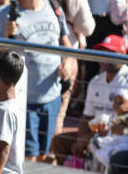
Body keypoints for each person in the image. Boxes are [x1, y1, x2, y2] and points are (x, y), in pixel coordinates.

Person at [0, 0, 75, 162]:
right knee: (27, 155)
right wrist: (6, 37)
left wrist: (68, 61)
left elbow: (66, 43)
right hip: (23, 99)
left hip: (51, 95)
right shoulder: (6, 15)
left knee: (46, 154)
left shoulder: (54, 8)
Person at [26, 0, 95, 134]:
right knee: (57, 114)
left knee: (28, 110)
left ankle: (33, 151)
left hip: (33, 57)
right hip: (65, 60)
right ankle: (48, 152)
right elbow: (88, 27)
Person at [50, 35, 128, 165]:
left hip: (120, 135)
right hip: (96, 133)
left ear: (122, 54)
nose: (105, 57)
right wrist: (81, 138)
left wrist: (87, 138)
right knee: (59, 141)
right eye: (102, 52)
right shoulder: (96, 81)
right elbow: (87, 117)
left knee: (96, 145)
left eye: (110, 53)